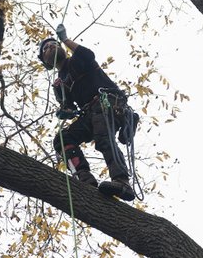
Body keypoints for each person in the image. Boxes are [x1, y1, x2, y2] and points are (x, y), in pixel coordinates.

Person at [38, 23, 136, 201]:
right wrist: (65, 111)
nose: (50, 46)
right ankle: (84, 179)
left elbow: (88, 55)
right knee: (62, 138)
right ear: (46, 63)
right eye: (46, 48)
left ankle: (122, 182)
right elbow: (69, 107)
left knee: (103, 137)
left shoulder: (76, 60)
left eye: (54, 44)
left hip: (107, 103)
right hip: (89, 114)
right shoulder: (60, 83)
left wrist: (65, 40)